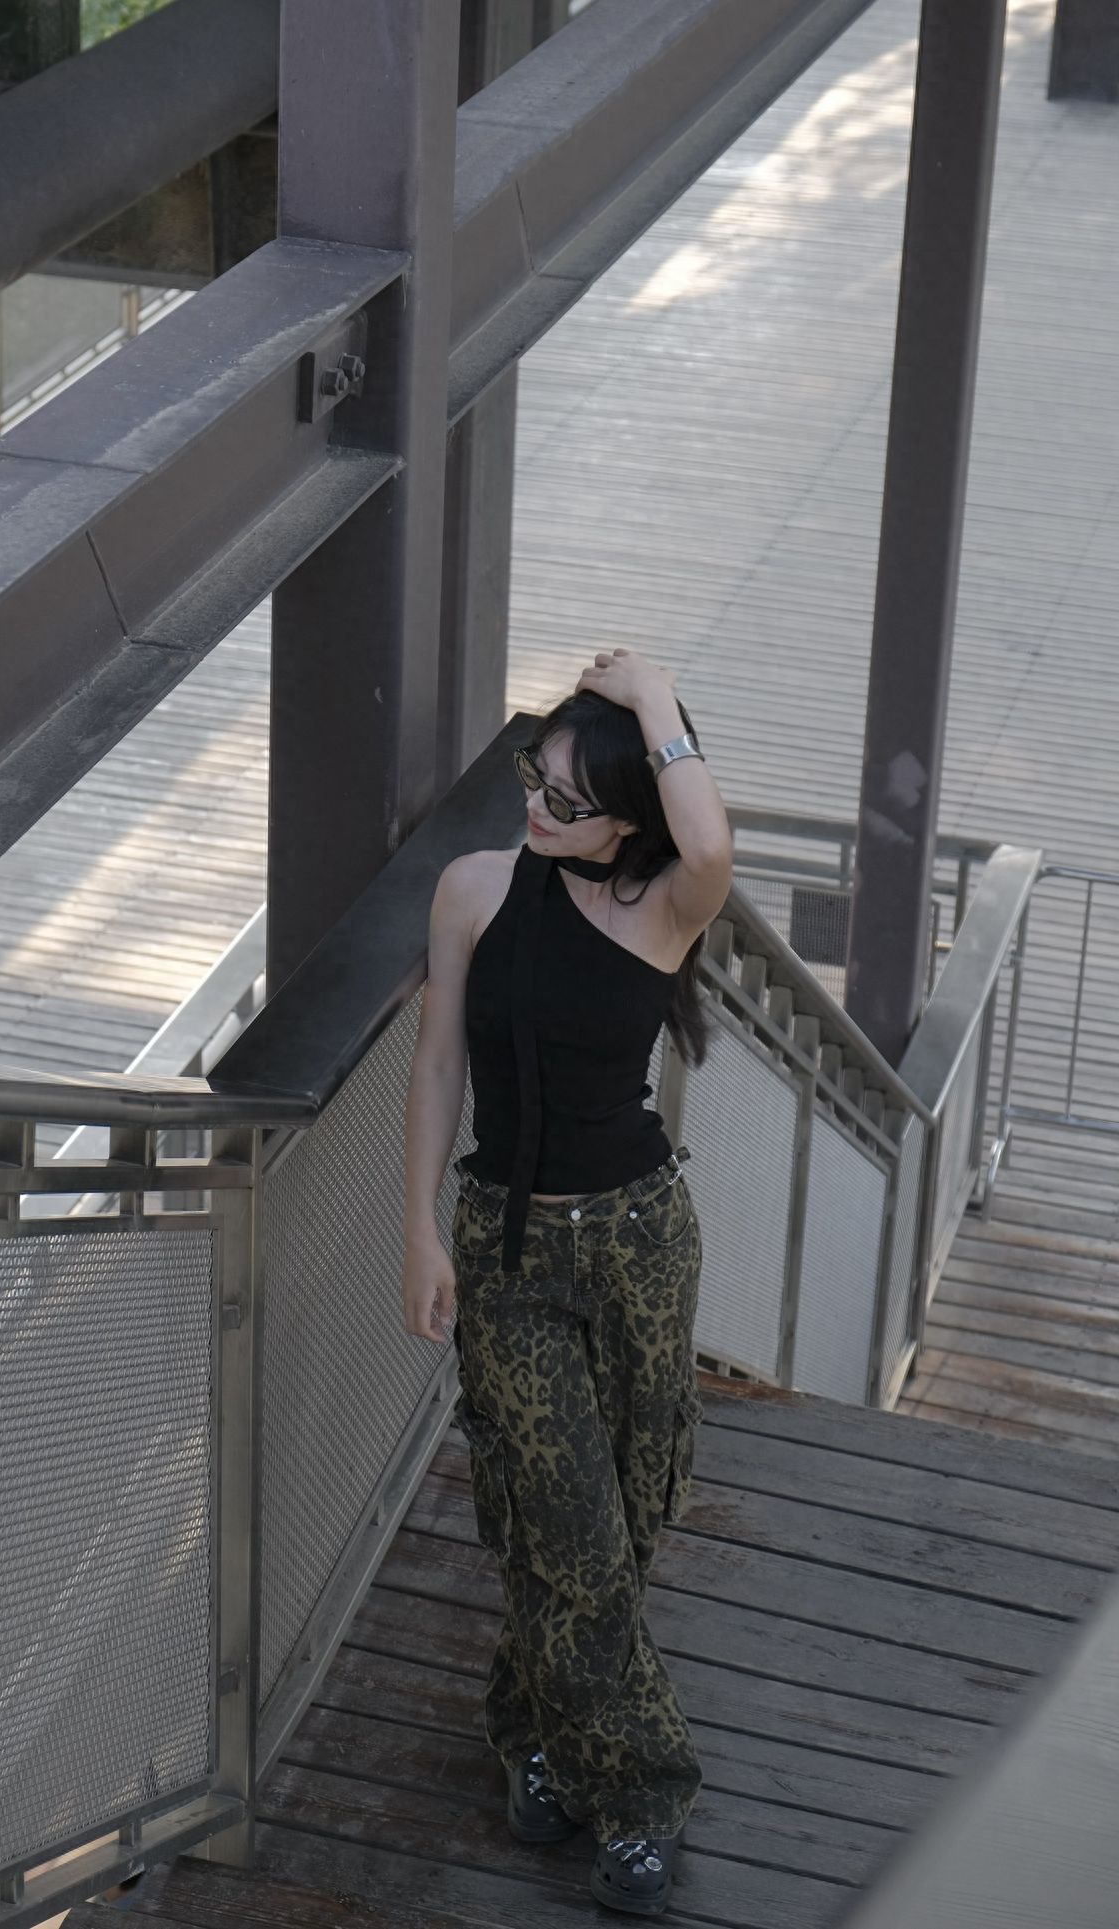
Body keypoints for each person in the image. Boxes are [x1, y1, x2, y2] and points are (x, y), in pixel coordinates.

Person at [401, 646, 734, 1917]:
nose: (535, 807)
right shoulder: (475, 890)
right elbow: (437, 1064)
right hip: (509, 1250)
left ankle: (528, 1724)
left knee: (622, 1518)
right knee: (564, 1528)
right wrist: (418, 1231)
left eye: (568, 797)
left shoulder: (667, 905)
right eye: (533, 776)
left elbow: (706, 839)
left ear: (630, 818)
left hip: (642, 1243)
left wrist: (652, 697)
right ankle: (643, 1798)